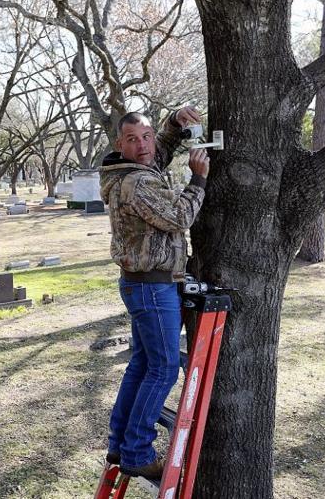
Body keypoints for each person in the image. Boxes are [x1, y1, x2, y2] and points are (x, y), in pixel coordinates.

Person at [99, 107, 210, 479]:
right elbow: (179, 218)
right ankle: (137, 453)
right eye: (133, 139)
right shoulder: (139, 183)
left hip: (142, 283)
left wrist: (173, 126)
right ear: (120, 144)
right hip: (152, 287)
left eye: (146, 136)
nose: (143, 145)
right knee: (162, 369)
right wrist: (198, 181)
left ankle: (120, 443)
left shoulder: (129, 170)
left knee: (143, 365)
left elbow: (156, 153)